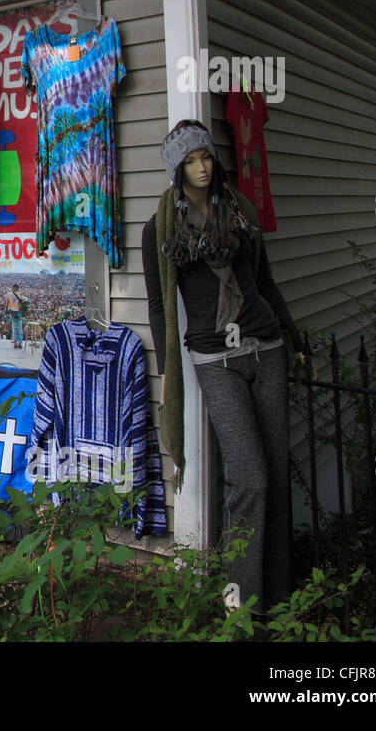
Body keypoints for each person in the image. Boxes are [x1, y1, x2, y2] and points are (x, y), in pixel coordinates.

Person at [143, 120, 304, 614]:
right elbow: (158, 304)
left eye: (206, 156)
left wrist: (292, 338)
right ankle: (244, 603)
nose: (203, 167)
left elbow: (265, 281)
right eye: (191, 160)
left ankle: (279, 593)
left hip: (266, 346)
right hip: (215, 357)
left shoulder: (240, 211)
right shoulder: (161, 228)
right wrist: (169, 366)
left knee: (275, 475)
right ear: (177, 169)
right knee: (250, 478)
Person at [4, 283, 28, 348]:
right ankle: (20, 344)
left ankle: (15, 343)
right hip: (19, 313)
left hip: (12, 313)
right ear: (18, 288)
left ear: (12, 288)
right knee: (19, 328)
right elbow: (27, 300)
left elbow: (6, 304)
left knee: (14, 328)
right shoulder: (20, 294)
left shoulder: (8, 295)